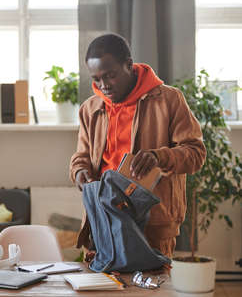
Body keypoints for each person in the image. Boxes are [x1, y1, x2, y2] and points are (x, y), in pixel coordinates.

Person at [70, 33, 206, 258]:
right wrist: (79, 172)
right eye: (96, 79)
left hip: (153, 225)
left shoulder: (169, 100)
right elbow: (81, 156)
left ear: (129, 65)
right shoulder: (90, 108)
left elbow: (196, 154)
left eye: (110, 76)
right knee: (99, 291)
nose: (104, 86)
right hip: (101, 221)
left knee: (151, 291)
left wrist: (158, 157)